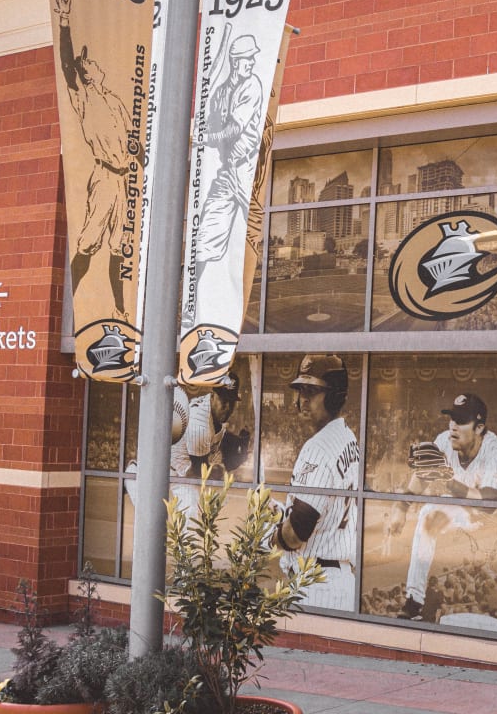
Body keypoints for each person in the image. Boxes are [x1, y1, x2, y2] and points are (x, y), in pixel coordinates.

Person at [387, 393, 497, 623]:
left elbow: (488, 503)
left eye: (461, 421)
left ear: (479, 428)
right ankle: (414, 600)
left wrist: (448, 481)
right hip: (471, 500)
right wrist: (401, 508)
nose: (453, 427)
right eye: (451, 419)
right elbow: (421, 477)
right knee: (429, 514)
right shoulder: (444, 442)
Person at [53, 0, 137, 321]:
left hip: (124, 178)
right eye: (86, 62)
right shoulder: (82, 97)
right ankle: (73, 304)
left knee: (119, 247)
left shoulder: (116, 101)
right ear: (84, 73)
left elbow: (135, 143)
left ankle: (120, 308)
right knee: (89, 242)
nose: (93, 63)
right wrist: (64, 18)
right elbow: (65, 61)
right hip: (103, 175)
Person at [185, 34, 264, 330]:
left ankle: (244, 307)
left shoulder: (252, 84)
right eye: (248, 58)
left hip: (247, 172)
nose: (252, 62)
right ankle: (193, 307)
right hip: (226, 171)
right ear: (234, 61)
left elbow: (232, 129)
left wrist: (207, 138)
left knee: (254, 234)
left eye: (254, 57)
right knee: (205, 237)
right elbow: (213, 123)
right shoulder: (219, 92)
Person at [274, 354, 360, 610]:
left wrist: (273, 533)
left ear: (334, 396)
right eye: (301, 390)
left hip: (316, 586)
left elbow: (296, 533)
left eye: (313, 391)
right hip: (340, 581)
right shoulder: (349, 438)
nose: (303, 399)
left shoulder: (318, 447)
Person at [123, 371, 248, 520]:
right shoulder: (200, 424)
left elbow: (213, 443)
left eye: (232, 402)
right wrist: (222, 468)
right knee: (152, 521)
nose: (227, 407)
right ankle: (132, 475)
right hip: (150, 472)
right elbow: (197, 472)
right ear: (213, 395)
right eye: (223, 400)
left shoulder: (211, 414)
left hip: (177, 472)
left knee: (188, 519)